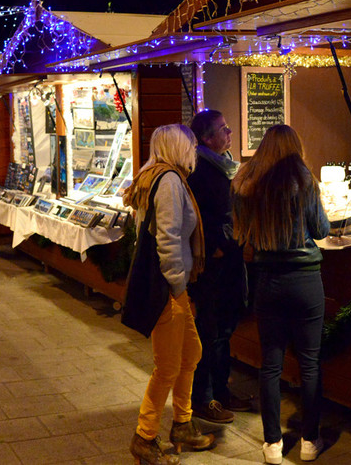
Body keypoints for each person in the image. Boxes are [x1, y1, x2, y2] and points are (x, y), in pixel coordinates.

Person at [233, 124, 331, 464]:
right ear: (295, 148)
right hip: (305, 281)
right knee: (309, 363)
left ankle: (273, 444)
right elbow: (321, 230)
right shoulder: (305, 182)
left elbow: (240, 232)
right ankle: (309, 440)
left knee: (270, 365)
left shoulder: (249, 186)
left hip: (268, 282)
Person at [125, 124, 214, 465]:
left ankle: (183, 423)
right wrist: (178, 287)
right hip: (168, 288)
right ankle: (144, 438)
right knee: (167, 367)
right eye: (190, 145)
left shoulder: (154, 176)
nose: (194, 151)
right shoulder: (171, 182)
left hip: (173, 287)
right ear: (179, 147)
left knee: (191, 353)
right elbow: (168, 239)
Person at [185, 110, 253, 424]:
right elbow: (205, 220)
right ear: (208, 138)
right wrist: (224, 246)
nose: (230, 133)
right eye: (224, 129)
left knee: (223, 332)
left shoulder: (223, 167)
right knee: (209, 332)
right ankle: (204, 398)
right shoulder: (201, 171)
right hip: (213, 265)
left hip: (228, 260)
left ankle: (221, 391)